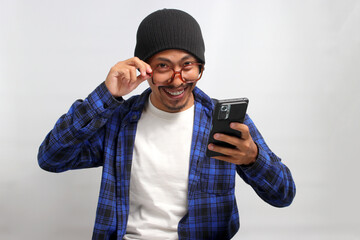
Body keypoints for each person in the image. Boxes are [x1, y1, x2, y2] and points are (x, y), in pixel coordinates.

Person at [38, 9, 296, 240]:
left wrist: (253, 159)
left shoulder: (226, 123)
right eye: (163, 66)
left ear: (200, 68)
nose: (177, 80)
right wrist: (107, 94)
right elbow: (51, 158)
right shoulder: (117, 121)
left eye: (187, 66)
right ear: (144, 69)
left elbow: (283, 195)